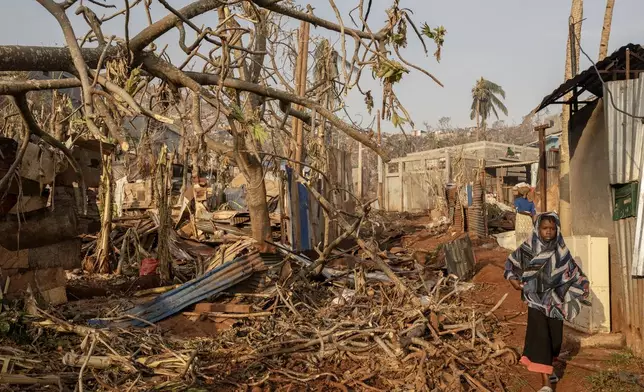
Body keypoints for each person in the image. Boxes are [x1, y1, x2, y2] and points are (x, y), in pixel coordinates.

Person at [504, 212, 590, 392]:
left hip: (555, 303)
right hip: (535, 300)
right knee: (541, 338)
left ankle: (550, 365)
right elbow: (511, 264)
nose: (548, 232)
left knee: (555, 340)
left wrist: (582, 287)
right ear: (538, 229)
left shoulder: (562, 251)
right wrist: (513, 280)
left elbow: (574, 273)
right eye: (545, 228)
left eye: (552, 228)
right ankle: (546, 383)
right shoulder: (529, 248)